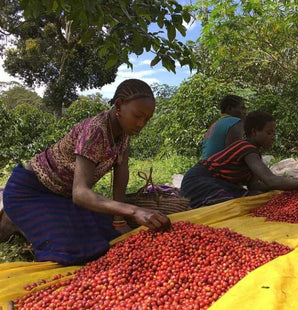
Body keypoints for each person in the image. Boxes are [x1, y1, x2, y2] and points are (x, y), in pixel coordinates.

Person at [1, 79, 171, 265]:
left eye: (147, 119)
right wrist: (134, 210)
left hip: (62, 197)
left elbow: (121, 171)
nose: (141, 124)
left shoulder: (124, 133)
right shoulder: (95, 131)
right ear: (119, 105)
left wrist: (119, 219)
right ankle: (14, 218)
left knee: (106, 235)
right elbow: (80, 194)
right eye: (138, 116)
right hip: (30, 191)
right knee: (72, 248)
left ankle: (30, 219)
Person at [180, 111, 298, 209]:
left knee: (250, 198)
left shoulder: (254, 154)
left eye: (274, 133)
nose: (273, 137)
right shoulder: (245, 148)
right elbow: (270, 180)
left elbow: (255, 184)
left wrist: (284, 188)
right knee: (232, 206)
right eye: (269, 133)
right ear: (254, 132)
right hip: (199, 181)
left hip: (217, 183)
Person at [200, 94, 246, 159]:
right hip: (216, 167)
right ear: (229, 109)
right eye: (242, 108)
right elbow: (234, 154)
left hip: (204, 165)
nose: (244, 112)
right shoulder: (235, 121)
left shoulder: (216, 124)